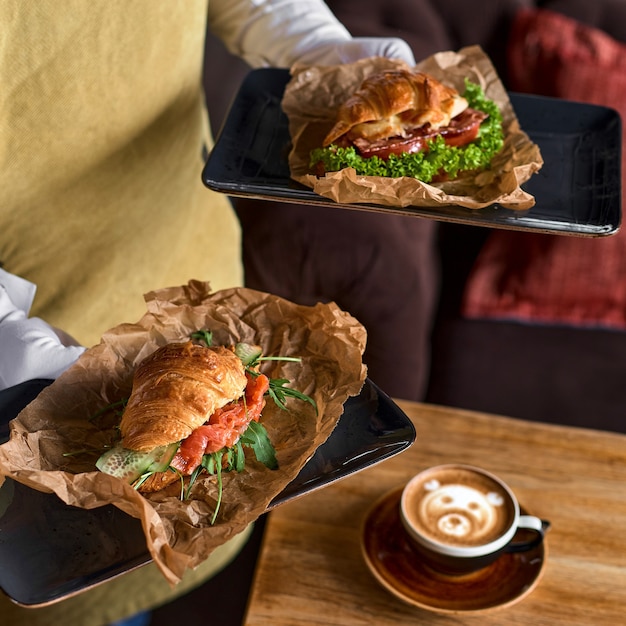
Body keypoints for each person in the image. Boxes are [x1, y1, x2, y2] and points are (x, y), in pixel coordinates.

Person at [0, 1, 418, 624]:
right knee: (102, 591)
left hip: (205, 302)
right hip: (30, 392)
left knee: (224, 533)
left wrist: (323, 51)